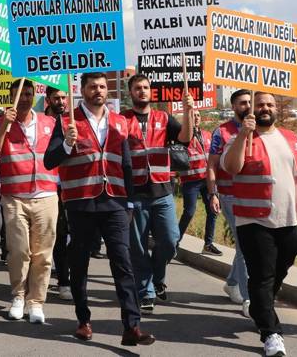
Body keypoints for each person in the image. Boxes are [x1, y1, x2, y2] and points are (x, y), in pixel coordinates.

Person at [44, 72, 154, 346]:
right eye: (93, 86)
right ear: (82, 90)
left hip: (115, 202)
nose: (99, 91)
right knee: (79, 265)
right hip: (81, 202)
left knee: (123, 263)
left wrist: (129, 200)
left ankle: (132, 326)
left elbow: (126, 163)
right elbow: (49, 161)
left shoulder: (119, 122)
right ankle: (83, 321)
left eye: (103, 87)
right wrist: (67, 143)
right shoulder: (67, 121)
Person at [222, 92, 297, 357]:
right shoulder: (239, 139)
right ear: (250, 110)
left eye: (269, 104)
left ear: (275, 109)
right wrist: (244, 135)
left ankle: (260, 307)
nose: (265, 108)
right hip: (253, 221)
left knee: (278, 273)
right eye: (259, 105)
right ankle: (271, 334)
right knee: (262, 278)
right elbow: (232, 167)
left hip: (289, 220)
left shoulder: (292, 140)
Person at [0, 79, 59, 324]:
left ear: (36, 95)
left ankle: (36, 301)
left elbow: (62, 152)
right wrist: (4, 126)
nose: (25, 98)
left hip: (46, 196)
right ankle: (18, 296)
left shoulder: (50, 122)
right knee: (18, 251)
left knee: (43, 254)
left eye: (28, 94)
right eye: (20, 95)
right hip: (14, 197)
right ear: (12, 97)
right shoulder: (1, 123)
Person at [120, 74, 194, 314]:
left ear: (150, 91)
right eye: (137, 88)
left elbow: (185, 138)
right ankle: (147, 291)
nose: (142, 91)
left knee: (171, 241)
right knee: (138, 247)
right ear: (130, 92)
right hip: (135, 194)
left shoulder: (163, 117)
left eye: (145, 88)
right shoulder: (122, 120)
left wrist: (188, 112)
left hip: (162, 191)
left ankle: (157, 275)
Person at [207, 89, 251, 315]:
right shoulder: (221, 132)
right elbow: (212, 165)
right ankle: (248, 297)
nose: (248, 106)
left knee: (246, 246)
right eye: (243, 103)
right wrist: (212, 193)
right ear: (233, 106)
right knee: (246, 245)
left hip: (255, 196)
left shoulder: (259, 129)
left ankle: (232, 283)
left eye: (250, 102)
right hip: (230, 194)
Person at [177, 110, 220, 255]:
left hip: (207, 179)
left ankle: (208, 244)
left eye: (197, 115)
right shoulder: (183, 136)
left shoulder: (207, 135)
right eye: (192, 115)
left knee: (213, 210)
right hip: (190, 181)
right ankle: (174, 242)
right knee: (189, 212)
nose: (195, 118)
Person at [44, 85, 72, 301]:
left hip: (70, 186)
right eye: (57, 98)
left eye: (64, 97)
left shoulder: (72, 123)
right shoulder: (41, 123)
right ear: (48, 99)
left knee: (70, 235)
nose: (61, 101)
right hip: (46, 187)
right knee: (54, 236)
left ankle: (66, 278)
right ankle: (58, 280)